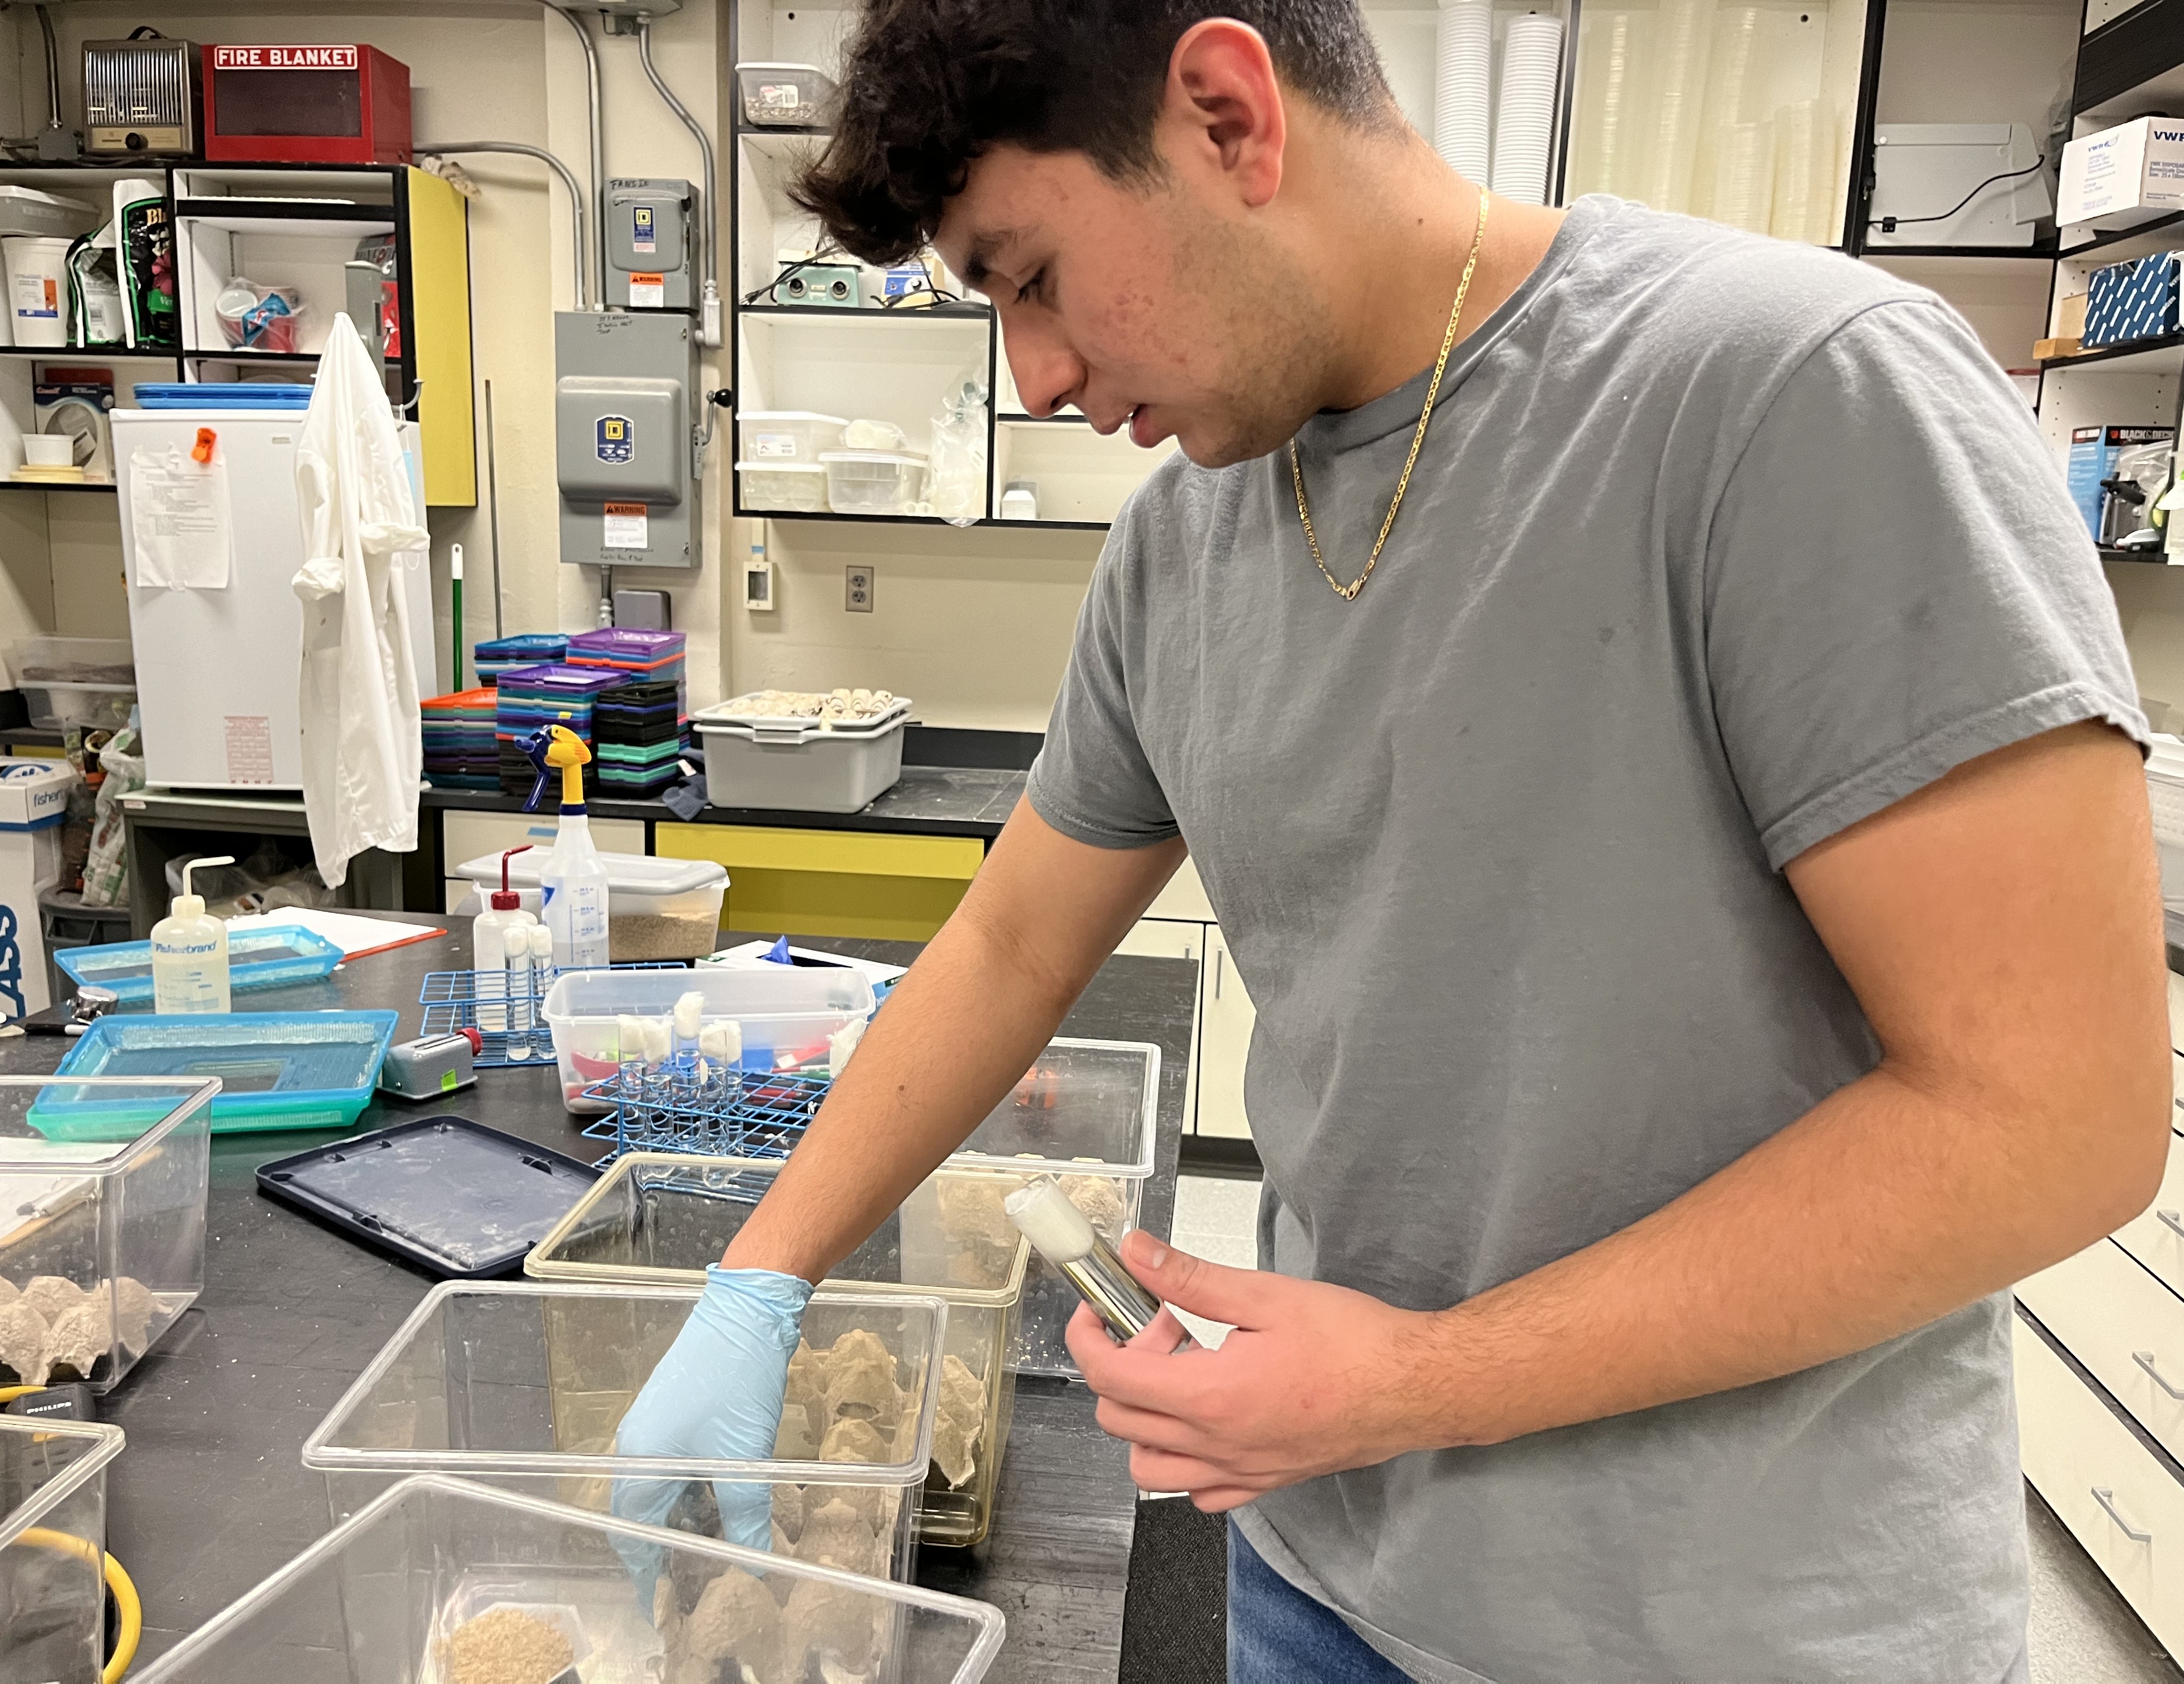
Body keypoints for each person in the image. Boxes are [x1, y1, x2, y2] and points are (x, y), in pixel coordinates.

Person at [615, 3, 2175, 1678]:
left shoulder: (1794, 396)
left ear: (1227, 117)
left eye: (1032, 276)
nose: (1038, 376)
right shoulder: (1179, 546)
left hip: (1736, 1625)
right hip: (1319, 1569)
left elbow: (2052, 1120)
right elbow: (1006, 946)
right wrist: (758, 1278)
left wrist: (1412, 1385)